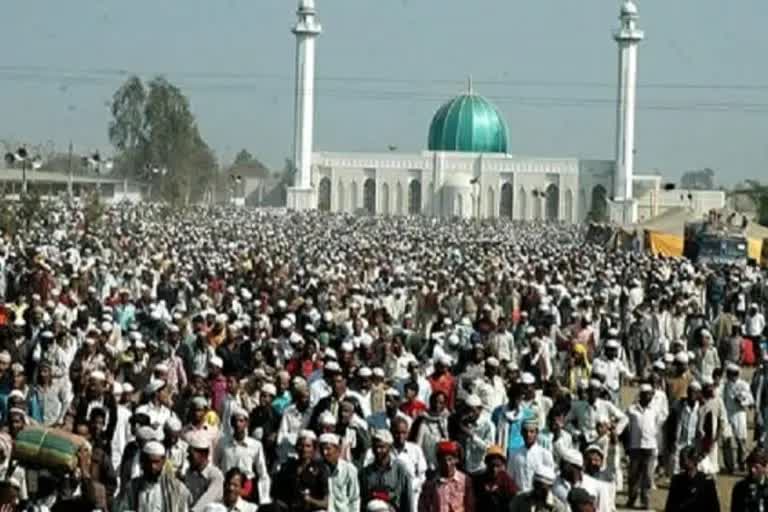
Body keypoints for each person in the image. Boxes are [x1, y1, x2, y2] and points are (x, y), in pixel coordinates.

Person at [213, 405, 271, 505]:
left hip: (246, 488)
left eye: (241, 421)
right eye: (235, 421)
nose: (238, 424)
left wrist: (264, 497)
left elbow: (262, 472)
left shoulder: (255, 445)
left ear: (247, 423)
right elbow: (215, 464)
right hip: (227, 487)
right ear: (231, 423)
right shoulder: (222, 443)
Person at [115, 440, 192, 512]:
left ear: (163, 461)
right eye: (149, 462)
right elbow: (124, 508)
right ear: (142, 461)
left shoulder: (177, 489)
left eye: (156, 462)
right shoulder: (133, 487)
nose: (153, 467)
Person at [625, 383, 665, 509]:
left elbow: (657, 426)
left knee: (647, 476)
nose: (649, 397)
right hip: (635, 447)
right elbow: (625, 426)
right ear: (641, 395)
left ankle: (645, 501)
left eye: (650, 394)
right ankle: (632, 498)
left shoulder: (655, 410)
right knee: (633, 475)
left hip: (649, 446)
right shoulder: (631, 409)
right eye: (646, 394)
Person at [271, 430, 329, 512]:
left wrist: (309, 500)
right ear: (296, 447)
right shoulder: (287, 467)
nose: (304, 449)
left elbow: (326, 503)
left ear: (314, 448)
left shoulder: (321, 469)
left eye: (308, 446)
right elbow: (277, 495)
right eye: (301, 446)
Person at [360, 429, 413, 512]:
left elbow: (408, 498)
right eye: (375, 447)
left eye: (381, 447)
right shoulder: (366, 472)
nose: (378, 451)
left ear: (390, 447)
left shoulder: (400, 469)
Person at [418, 440, 475, 512]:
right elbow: (423, 506)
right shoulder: (431, 483)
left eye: (450, 459)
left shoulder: (465, 480)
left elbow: (470, 506)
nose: (447, 463)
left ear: (456, 460)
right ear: (439, 461)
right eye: (443, 460)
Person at [664, 446, 719, 512]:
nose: (681, 461)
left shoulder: (707, 482)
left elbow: (714, 508)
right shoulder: (677, 480)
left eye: (683, 458)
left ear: (693, 460)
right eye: (680, 458)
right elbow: (670, 507)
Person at [507, 418, 554, 492]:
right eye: (525, 431)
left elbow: (549, 479)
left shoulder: (545, 454)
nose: (528, 435)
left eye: (532, 432)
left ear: (537, 433)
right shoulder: (515, 454)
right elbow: (510, 478)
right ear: (521, 433)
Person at [184, 432, 225, 512]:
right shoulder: (189, 473)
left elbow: (206, 502)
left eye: (191, 454)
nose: (188, 457)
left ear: (202, 455)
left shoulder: (216, 476)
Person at [320, 432, 361, 512]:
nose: (325, 453)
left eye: (328, 449)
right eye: (322, 450)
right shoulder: (318, 469)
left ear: (337, 449)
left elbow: (354, 498)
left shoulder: (349, 469)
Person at [472, 445, 518, 511]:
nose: (494, 469)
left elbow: (515, 498)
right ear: (486, 463)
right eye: (492, 465)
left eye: (498, 466)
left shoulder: (506, 480)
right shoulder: (479, 479)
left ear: (502, 464)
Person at [731, 447, 768, 512]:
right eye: (750, 466)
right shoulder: (739, 487)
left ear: (765, 468)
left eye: (756, 467)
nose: (752, 470)